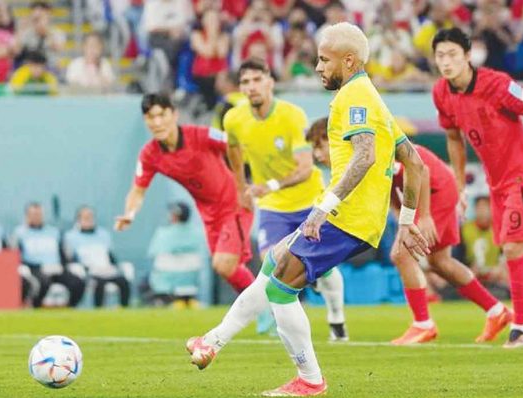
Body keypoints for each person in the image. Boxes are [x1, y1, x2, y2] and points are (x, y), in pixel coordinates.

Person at [186, 22, 429, 397]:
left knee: (283, 287)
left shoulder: (356, 97)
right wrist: (408, 222)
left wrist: (322, 210)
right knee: (273, 265)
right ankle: (212, 341)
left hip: (346, 217)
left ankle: (310, 380)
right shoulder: (368, 95)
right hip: (351, 216)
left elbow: (364, 156)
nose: (317, 67)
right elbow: (414, 162)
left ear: (348, 61)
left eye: (323, 59)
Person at [432, 27, 523, 348]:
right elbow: (453, 137)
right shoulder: (441, 94)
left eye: (452, 55)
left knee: (513, 247)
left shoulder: (496, 84)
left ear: (468, 56)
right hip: (497, 180)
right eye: (440, 56)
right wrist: (459, 181)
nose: (446, 62)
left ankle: (520, 329)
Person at [306, 117, 512, 345]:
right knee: (440, 262)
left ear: (331, 138)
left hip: (435, 190)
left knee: (400, 254)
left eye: (318, 146)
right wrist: (399, 212)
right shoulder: (354, 154)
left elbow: (419, 170)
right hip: (436, 189)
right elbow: (393, 186)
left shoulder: (367, 145)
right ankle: (496, 311)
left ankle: (423, 324)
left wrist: (424, 216)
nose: (316, 155)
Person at [224, 58, 348, 341]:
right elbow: (233, 149)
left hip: (309, 202)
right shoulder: (234, 118)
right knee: (273, 264)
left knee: (326, 271)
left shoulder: (292, 115)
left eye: (257, 80)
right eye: (245, 82)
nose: (251, 87)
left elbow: (305, 168)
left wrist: (269, 184)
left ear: (270, 82)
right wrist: (241, 187)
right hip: (273, 207)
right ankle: (283, 330)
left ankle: (337, 321)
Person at [115, 93, 255, 294]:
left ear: (174, 115)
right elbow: (137, 191)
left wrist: (243, 186)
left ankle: (266, 306)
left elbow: (235, 145)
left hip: (235, 204)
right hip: (209, 215)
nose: (157, 122)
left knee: (223, 264)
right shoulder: (150, 155)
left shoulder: (200, 135)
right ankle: (264, 303)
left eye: (162, 115)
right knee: (228, 269)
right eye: (150, 117)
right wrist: (130, 214)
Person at [13, 202, 85, 308]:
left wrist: (66, 265)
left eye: (39, 214)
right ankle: (37, 308)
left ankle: (70, 308)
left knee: (77, 282)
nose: (37, 217)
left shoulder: (54, 232)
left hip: (56, 268)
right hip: (35, 268)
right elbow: (16, 254)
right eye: (33, 215)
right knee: (43, 283)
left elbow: (63, 253)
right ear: (27, 216)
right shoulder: (20, 233)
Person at [65, 206, 131, 308]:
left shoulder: (103, 234)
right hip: (90, 271)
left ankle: (124, 309)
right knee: (100, 284)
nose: (89, 220)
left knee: (123, 282)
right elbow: (71, 258)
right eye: (85, 217)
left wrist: (114, 266)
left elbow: (110, 255)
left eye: (90, 217)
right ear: (78, 220)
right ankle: (99, 310)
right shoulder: (71, 237)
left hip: (106, 268)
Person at [147, 202, 206, 309]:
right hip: (190, 279)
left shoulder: (162, 233)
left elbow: (153, 253)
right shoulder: (198, 233)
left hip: (165, 280)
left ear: (175, 216)